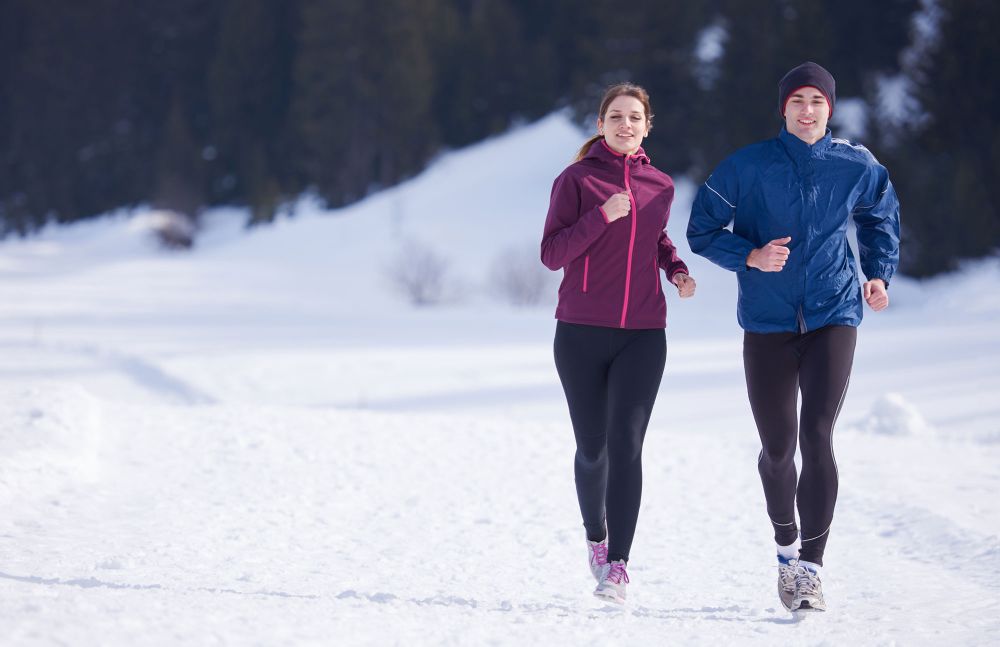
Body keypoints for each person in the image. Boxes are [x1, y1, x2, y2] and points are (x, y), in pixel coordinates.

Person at [686, 62, 900, 612]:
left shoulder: (855, 164)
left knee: (818, 434)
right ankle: (786, 546)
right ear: (783, 108)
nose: (808, 110)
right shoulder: (746, 165)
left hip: (834, 313)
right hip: (767, 321)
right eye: (798, 101)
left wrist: (878, 274)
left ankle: (811, 567)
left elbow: (880, 218)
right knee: (778, 448)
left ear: (831, 108)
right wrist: (750, 256)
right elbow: (700, 230)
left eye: (817, 101)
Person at [540, 82, 696, 604]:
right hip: (580, 332)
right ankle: (596, 537)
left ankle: (619, 566)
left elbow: (657, 239)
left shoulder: (660, 185)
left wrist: (676, 269)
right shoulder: (576, 180)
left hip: (644, 334)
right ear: (600, 124)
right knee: (593, 448)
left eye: (634, 117)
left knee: (627, 444)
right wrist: (600, 215)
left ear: (647, 126)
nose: (625, 124)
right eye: (615, 117)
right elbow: (551, 253)